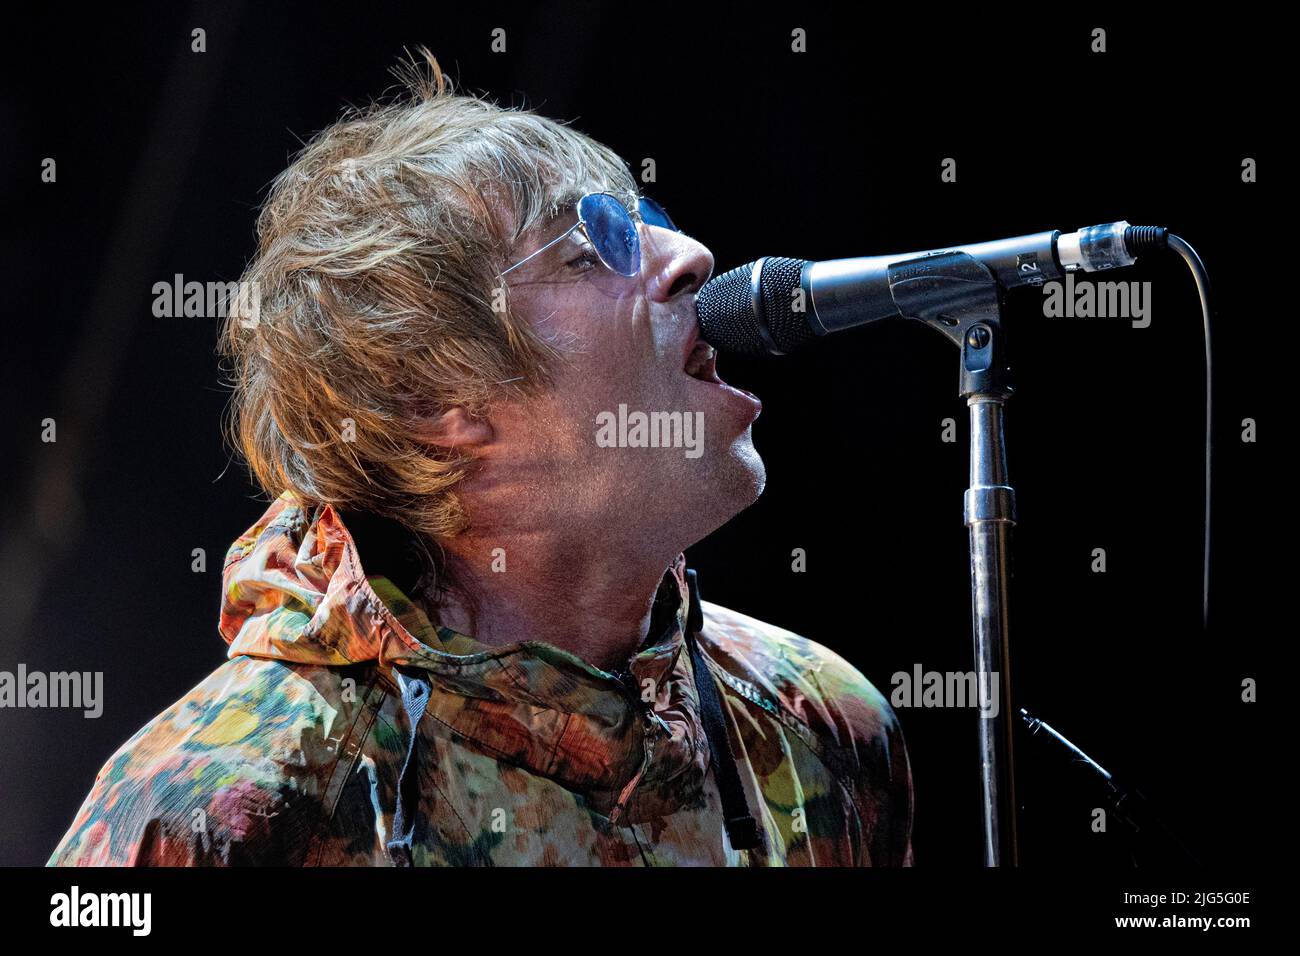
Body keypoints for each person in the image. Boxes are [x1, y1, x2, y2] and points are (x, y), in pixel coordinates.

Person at [48, 51, 913, 867]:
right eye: (592, 247)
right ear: (433, 400)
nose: (691, 257)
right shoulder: (217, 806)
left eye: (650, 224)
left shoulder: (821, 723)